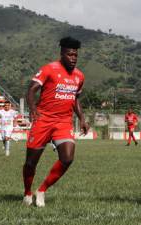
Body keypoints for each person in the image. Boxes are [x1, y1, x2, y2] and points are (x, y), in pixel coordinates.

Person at [22, 36, 89, 207]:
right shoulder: (49, 69)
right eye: (69, 55)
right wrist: (32, 108)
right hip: (43, 119)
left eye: (75, 55)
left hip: (63, 122)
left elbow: (75, 99)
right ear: (62, 53)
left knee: (67, 158)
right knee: (31, 163)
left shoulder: (79, 76)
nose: (73, 58)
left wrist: (82, 118)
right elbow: (31, 90)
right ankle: (28, 192)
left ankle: (42, 190)